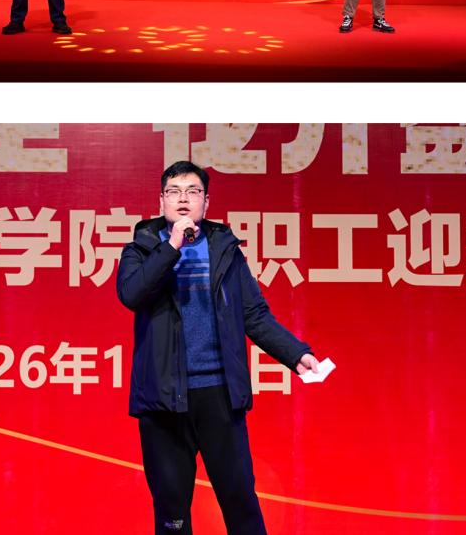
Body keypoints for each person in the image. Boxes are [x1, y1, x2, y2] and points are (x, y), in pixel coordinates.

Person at [117, 161, 326, 534]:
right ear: (161, 201)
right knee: (172, 513)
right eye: (174, 192)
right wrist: (172, 246)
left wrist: (295, 353)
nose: (183, 199)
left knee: (241, 502)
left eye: (193, 192)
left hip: (219, 395)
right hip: (164, 400)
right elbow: (132, 294)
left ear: (206, 202)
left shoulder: (224, 250)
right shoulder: (142, 249)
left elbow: (254, 315)